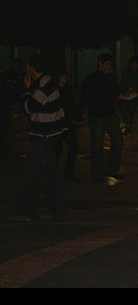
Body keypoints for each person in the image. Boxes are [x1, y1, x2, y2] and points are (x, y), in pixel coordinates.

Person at [7, 54, 66, 221]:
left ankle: (25, 211)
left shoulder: (44, 84)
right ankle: (58, 210)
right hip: (50, 132)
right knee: (49, 173)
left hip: (46, 134)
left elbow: (30, 107)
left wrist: (26, 90)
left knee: (33, 172)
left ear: (32, 67)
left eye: (27, 65)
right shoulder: (45, 82)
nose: (26, 68)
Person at [78, 53, 124, 186]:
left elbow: (117, 92)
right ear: (101, 64)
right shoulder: (91, 79)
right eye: (108, 64)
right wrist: (79, 114)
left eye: (110, 64)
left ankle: (111, 169)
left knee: (118, 141)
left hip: (109, 115)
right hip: (96, 115)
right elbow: (84, 97)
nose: (109, 67)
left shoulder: (111, 78)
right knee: (97, 145)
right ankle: (98, 173)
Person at [54, 70, 80, 181]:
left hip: (67, 122)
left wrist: (76, 117)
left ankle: (68, 172)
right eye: (63, 76)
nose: (66, 77)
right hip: (59, 123)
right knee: (57, 149)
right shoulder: (55, 90)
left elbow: (71, 104)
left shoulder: (67, 89)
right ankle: (54, 173)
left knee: (73, 147)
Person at [118, 56, 138, 135]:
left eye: (136, 64)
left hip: (137, 94)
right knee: (122, 104)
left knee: (132, 105)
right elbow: (123, 84)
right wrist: (125, 92)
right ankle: (127, 123)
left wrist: (136, 91)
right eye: (133, 64)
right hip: (127, 94)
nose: (135, 66)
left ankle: (128, 124)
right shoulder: (126, 72)